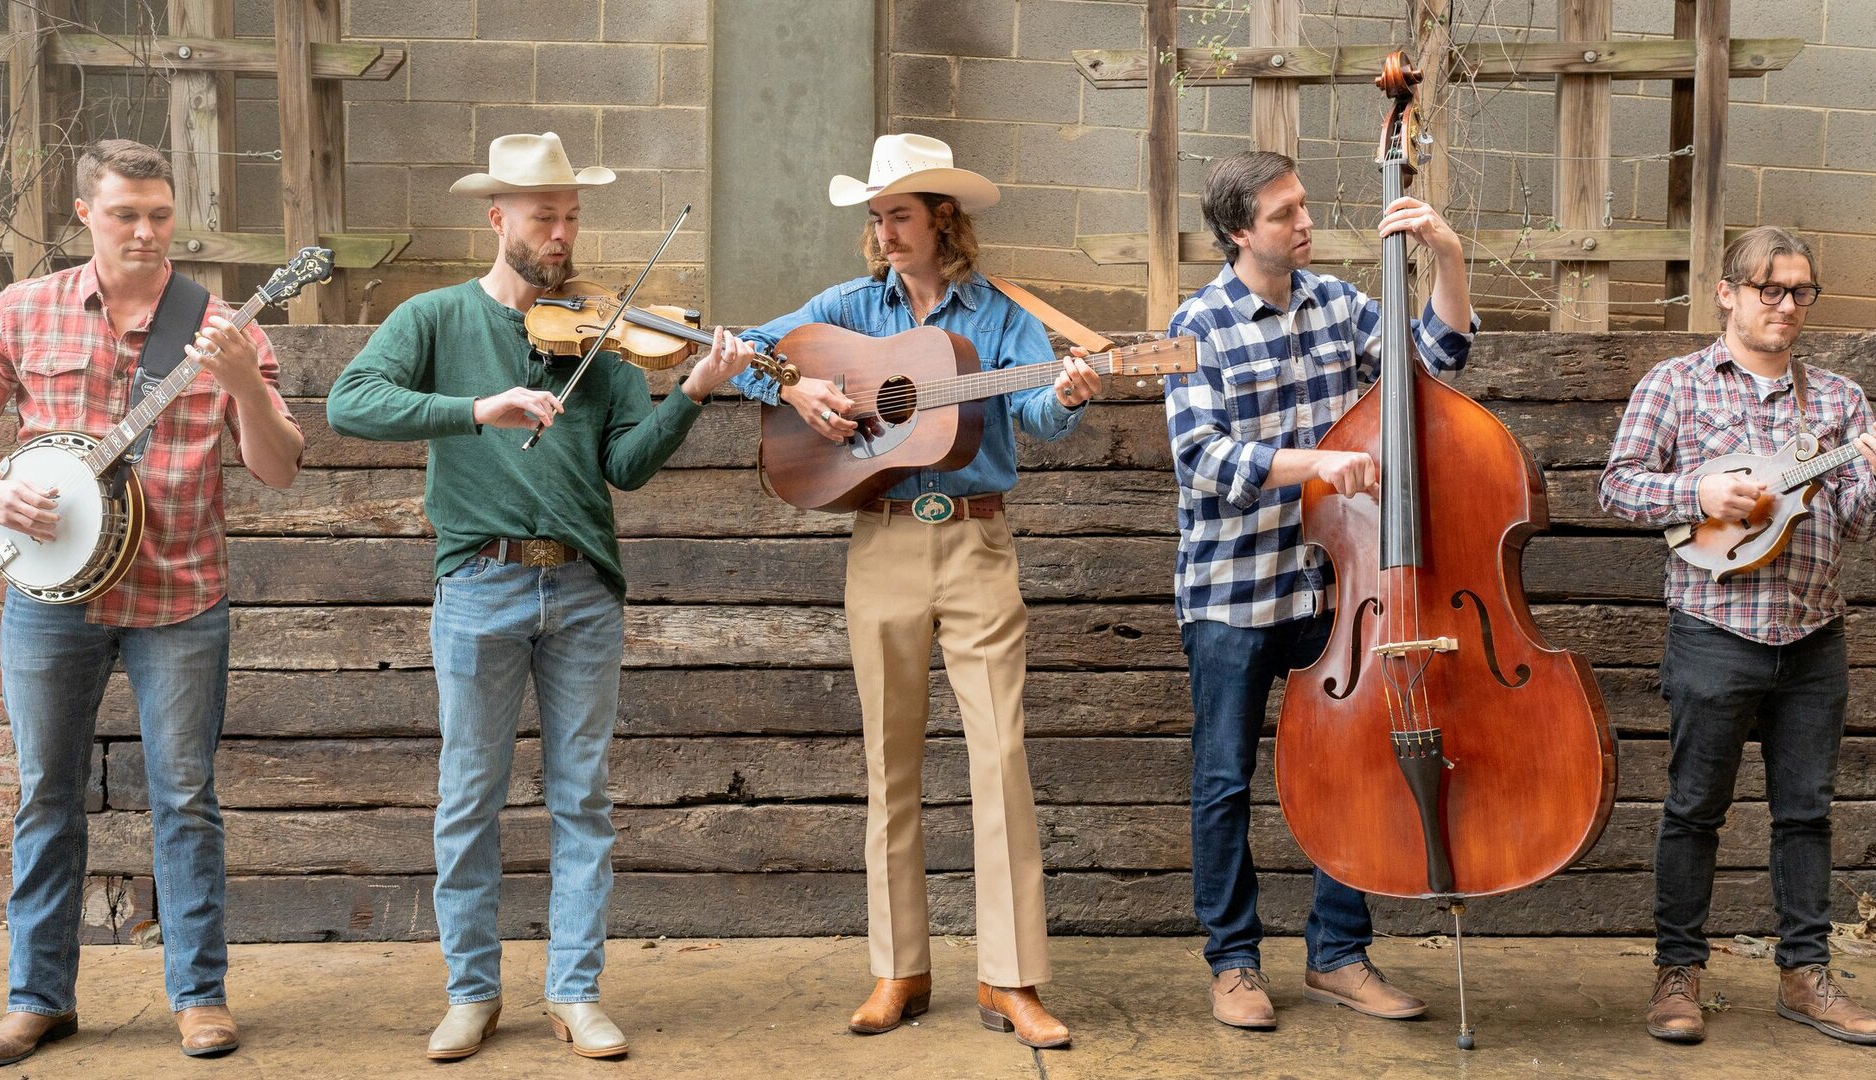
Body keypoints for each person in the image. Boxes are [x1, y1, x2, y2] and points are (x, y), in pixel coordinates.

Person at [326, 132, 752, 1062]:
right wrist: (476, 408)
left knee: (582, 801)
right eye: (542, 217)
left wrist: (694, 391)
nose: (560, 234)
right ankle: (471, 994)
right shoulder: (436, 318)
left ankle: (576, 991)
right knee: (468, 800)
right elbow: (349, 403)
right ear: (498, 219)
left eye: (570, 217)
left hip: (585, 590)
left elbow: (625, 467)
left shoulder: (605, 335)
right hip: (479, 585)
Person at [0, 139, 304, 1066]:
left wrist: (243, 384)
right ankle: (38, 999)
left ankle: (199, 997)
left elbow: (279, 467)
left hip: (180, 594)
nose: (145, 231)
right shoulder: (23, 310)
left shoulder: (222, 327)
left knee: (185, 798)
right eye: (125, 213)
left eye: (160, 215)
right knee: (45, 795)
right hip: (49, 595)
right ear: (84, 214)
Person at [727, 133, 1101, 1049]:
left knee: (999, 758)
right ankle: (899, 969)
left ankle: (1010, 979)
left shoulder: (1003, 314)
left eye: (898, 215)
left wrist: (1070, 393)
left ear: (943, 219)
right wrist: (800, 391)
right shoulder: (848, 307)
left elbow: (1037, 416)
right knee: (889, 763)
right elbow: (744, 354)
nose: (883, 232)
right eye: (875, 217)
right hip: (883, 539)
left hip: (976, 540)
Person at [1163, 150, 1476, 1030]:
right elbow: (1201, 459)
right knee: (1223, 781)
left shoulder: (1339, 303)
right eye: (1283, 214)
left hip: (1334, 589)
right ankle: (1233, 964)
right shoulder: (1197, 324)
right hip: (1233, 592)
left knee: (1353, 768)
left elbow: (1435, 360)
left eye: (1302, 206)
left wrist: (1447, 255)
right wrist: (1317, 465)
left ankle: (1338, 954)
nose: (1305, 224)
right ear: (1238, 231)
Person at [1599, 225, 1876, 1046]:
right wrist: (1697, 492)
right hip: (1714, 630)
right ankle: (1677, 974)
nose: (1787, 305)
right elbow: (1617, 487)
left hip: (1813, 635)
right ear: (1728, 294)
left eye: (1801, 290)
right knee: (1694, 809)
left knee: (1805, 813)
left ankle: (1806, 976)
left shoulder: (1837, 402)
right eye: (1770, 288)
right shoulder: (1676, 385)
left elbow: (1857, 524)